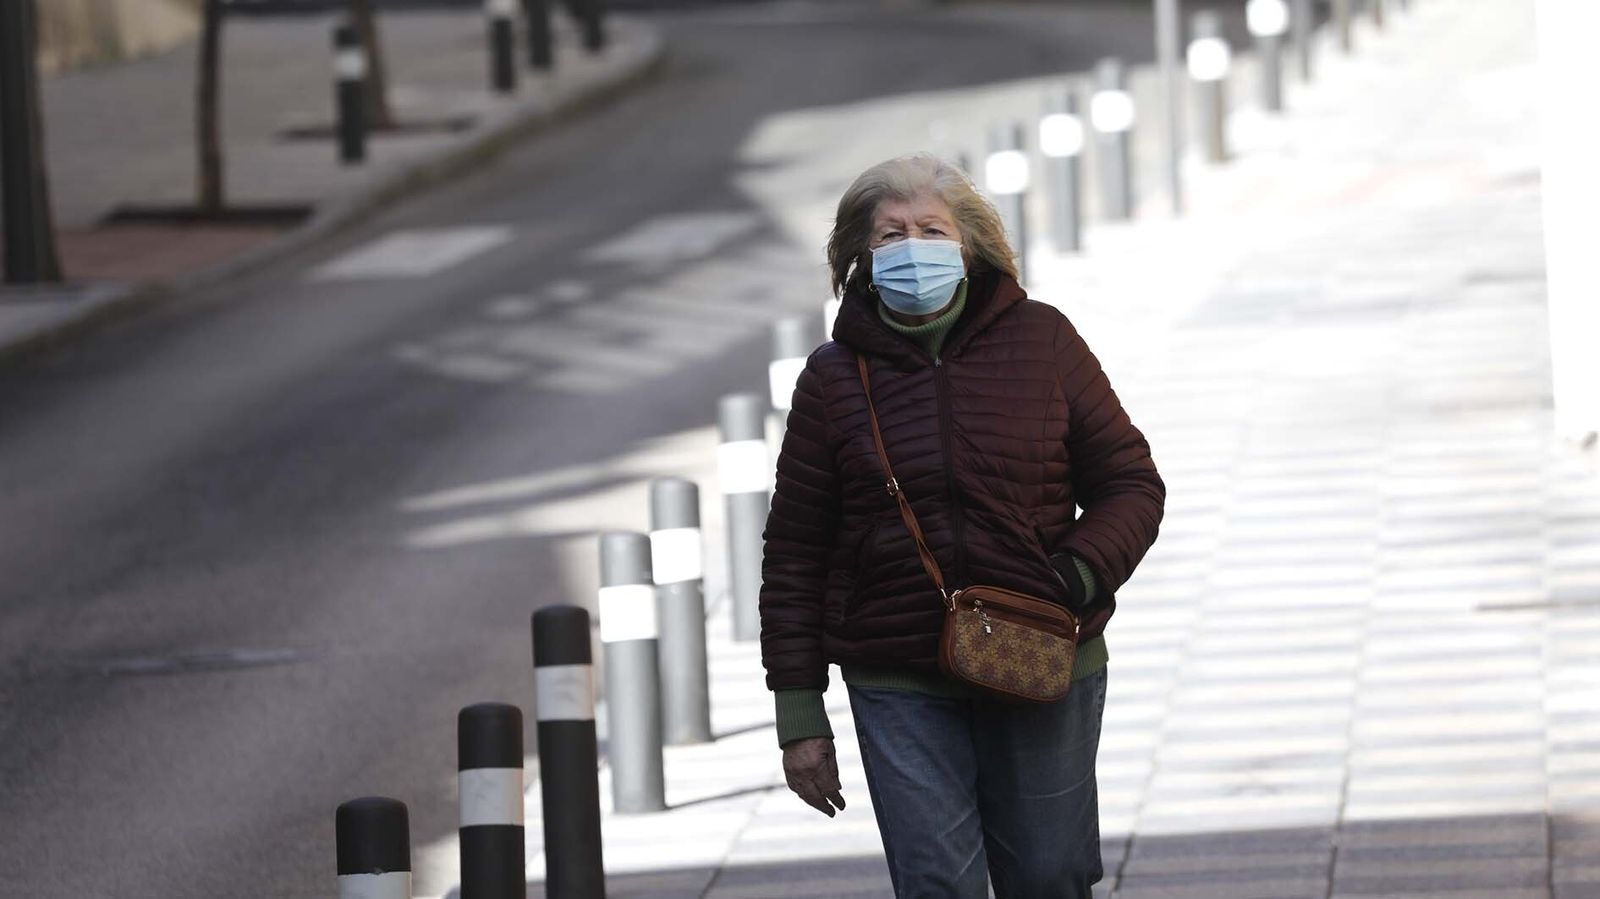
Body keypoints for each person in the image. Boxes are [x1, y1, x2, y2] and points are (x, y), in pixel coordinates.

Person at [758, 153, 1166, 898]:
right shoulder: (832, 378)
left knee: (1049, 875)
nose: (912, 247)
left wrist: (1073, 576)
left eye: (930, 229)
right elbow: (793, 551)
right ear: (860, 258)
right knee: (935, 881)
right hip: (899, 673)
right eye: (890, 236)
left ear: (968, 245)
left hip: (1042, 651)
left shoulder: (1044, 341)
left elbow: (1131, 484)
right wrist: (798, 709)